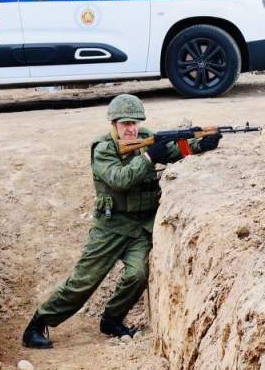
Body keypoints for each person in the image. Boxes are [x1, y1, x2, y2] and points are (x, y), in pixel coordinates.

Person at [21, 94, 219, 348]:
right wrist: (149, 158)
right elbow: (120, 179)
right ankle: (39, 323)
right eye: (125, 123)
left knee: (138, 274)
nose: (131, 128)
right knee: (84, 281)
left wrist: (200, 143)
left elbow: (174, 150)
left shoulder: (146, 137)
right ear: (114, 124)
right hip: (110, 227)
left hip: (140, 227)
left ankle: (112, 319)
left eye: (135, 123)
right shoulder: (104, 148)